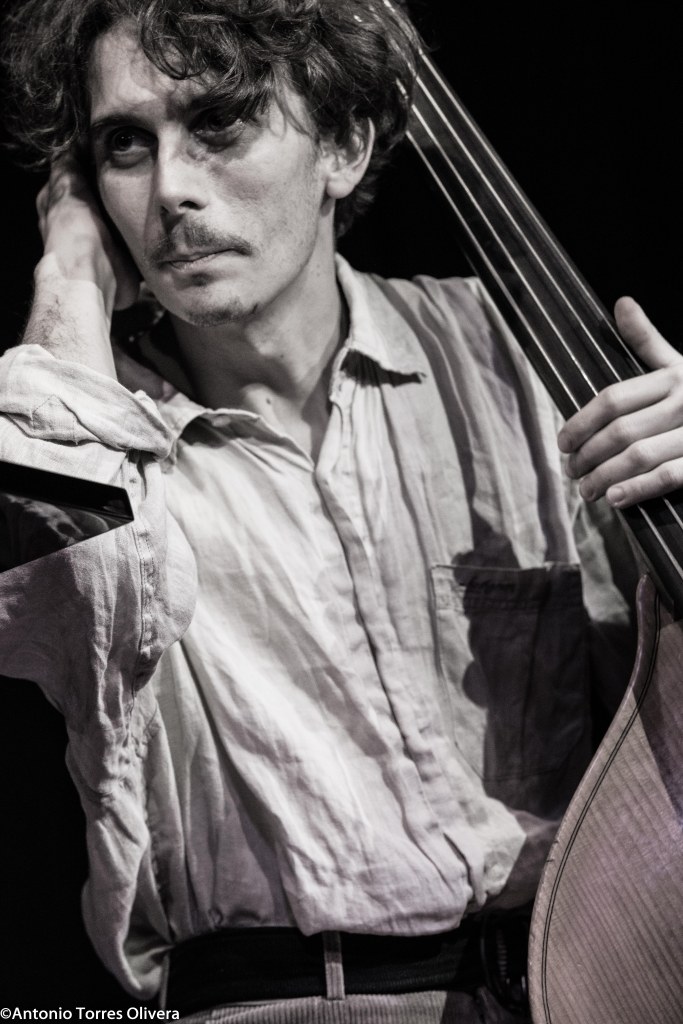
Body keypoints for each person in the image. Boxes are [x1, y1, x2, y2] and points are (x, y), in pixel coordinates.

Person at [0, 1, 682, 1021]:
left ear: (344, 145)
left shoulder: (522, 362)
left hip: (595, 983)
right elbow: (64, 602)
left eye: (219, 121)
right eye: (126, 145)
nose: (171, 188)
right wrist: (67, 272)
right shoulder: (92, 431)